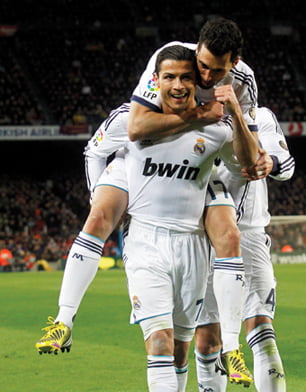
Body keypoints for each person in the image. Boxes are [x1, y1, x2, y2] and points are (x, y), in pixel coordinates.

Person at [36, 18, 259, 383]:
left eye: (205, 73)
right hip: (143, 212)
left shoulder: (236, 93)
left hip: (195, 200)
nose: (198, 77)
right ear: (158, 79)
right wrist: (97, 195)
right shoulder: (158, 78)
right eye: (192, 69)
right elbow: (130, 132)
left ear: (232, 65)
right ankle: (63, 318)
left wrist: (237, 124)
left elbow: (246, 160)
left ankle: (232, 347)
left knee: (226, 244)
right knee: (99, 219)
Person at [114, 45, 256, 392]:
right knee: (158, 343)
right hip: (145, 243)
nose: (178, 85)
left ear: (197, 83)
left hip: (192, 246)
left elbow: (249, 163)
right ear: (156, 81)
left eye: (186, 78)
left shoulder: (216, 130)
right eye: (170, 77)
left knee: (180, 349)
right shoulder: (131, 122)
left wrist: (235, 112)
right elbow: (105, 145)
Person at [194, 106, 293, 392]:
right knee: (207, 339)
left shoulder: (260, 115)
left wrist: (270, 163)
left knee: (262, 329)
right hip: (201, 237)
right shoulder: (192, 111)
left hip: (249, 233)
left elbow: (287, 164)